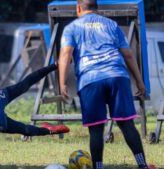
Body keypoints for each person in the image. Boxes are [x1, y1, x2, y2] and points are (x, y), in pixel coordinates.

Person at [58, 0, 156, 169]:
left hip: (90, 79)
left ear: (79, 8)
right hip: (117, 76)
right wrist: (140, 82)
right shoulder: (111, 24)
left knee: (96, 129)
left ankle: (98, 167)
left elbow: (66, 54)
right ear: (97, 8)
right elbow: (129, 55)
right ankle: (142, 165)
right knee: (126, 124)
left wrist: (62, 83)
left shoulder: (72, 28)